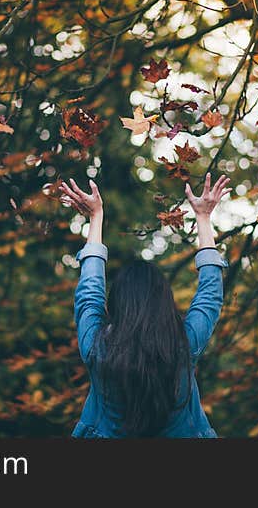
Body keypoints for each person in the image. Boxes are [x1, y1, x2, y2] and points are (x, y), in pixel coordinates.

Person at [58, 172, 232, 438]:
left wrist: (96, 218)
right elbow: (210, 295)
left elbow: (89, 293)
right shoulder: (184, 345)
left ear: (117, 304)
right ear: (165, 303)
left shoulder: (96, 347)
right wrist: (204, 218)